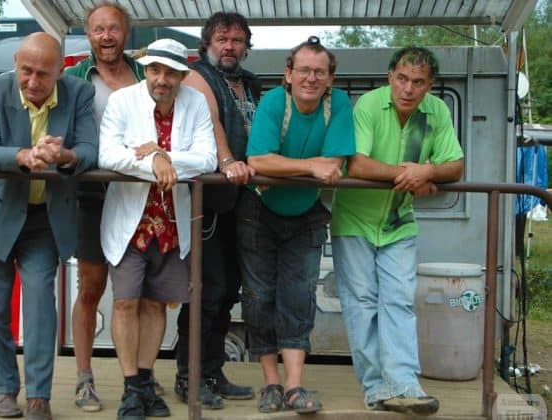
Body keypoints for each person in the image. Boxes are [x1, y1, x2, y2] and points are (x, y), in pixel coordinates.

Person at [0, 32, 98, 420]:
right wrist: (23, 156)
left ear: (60, 71)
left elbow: (90, 150)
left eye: (43, 73)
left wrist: (65, 156)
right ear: (16, 66)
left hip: (44, 219)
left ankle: (39, 395)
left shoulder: (80, 93)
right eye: (26, 71)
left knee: (41, 302)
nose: (33, 81)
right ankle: (4, 389)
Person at [331, 46, 464, 415]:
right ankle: (376, 389)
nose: (408, 88)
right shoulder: (369, 104)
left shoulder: (437, 111)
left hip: (399, 222)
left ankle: (405, 386)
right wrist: (410, 175)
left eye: (418, 82)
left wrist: (429, 171)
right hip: (354, 220)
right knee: (362, 305)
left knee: (400, 302)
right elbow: (357, 164)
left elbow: (455, 165)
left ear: (430, 86)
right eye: (402, 79)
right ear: (390, 76)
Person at [98, 38, 217, 420]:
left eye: (170, 72)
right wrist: (151, 164)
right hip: (131, 221)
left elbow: (208, 158)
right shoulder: (122, 101)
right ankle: (132, 388)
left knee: (154, 303)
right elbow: (108, 154)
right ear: (145, 70)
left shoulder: (195, 102)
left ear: (183, 75)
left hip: (171, 223)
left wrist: (162, 154)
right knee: (125, 301)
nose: (161, 79)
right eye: (154, 70)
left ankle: (145, 381)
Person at [238, 36, 355, 414]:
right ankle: (270, 383)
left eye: (320, 72)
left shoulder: (338, 104)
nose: (311, 78)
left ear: (331, 79)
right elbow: (258, 160)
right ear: (288, 74)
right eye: (303, 70)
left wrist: (286, 167)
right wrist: (309, 166)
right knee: (259, 297)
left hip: (306, 212)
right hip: (259, 211)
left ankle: (293, 386)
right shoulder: (275, 101)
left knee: (299, 296)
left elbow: (333, 165)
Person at [174, 11, 258, 409]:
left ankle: (213, 371)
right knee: (205, 290)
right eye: (222, 39)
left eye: (237, 40)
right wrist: (227, 162)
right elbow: (211, 123)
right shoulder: (197, 77)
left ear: (246, 47)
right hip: (206, 202)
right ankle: (188, 377)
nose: (229, 47)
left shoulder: (251, 83)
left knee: (227, 292)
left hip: (243, 203)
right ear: (207, 43)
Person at [63, 1, 145, 412]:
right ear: (88, 34)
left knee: (138, 293)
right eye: (98, 29)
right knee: (92, 288)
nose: (106, 36)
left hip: (141, 198)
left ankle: (139, 381)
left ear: (126, 33)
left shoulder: (146, 74)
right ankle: (84, 378)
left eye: (113, 28)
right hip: (92, 197)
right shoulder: (74, 78)